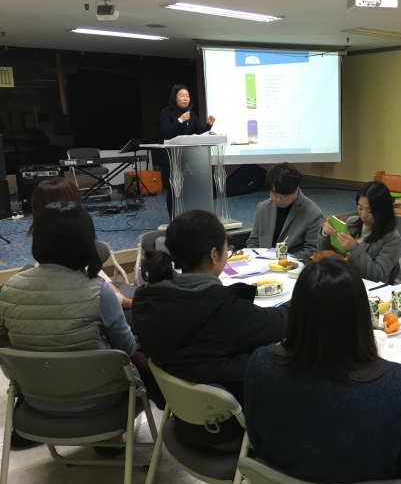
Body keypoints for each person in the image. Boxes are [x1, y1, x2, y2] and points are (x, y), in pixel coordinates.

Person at [244, 257, 401, 484]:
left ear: (296, 311)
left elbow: (257, 442)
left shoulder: (260, 364)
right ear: (361, 315)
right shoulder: (397, 384)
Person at [133, 209, 288, 449]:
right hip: (226, 429)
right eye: (228, 248)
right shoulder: (223, 309)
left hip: (183, 420)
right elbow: (279, 324)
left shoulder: (148, 298)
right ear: (214, 254)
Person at [0, 202, 136, 417]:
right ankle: (114, 434)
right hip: (98, 398)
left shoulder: (9, 288)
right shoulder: (99, 291)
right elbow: (127, 350)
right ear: (86, 241)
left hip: (36, 397)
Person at [25, 178, 133, 311]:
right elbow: (98, 291)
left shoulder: (44, 241)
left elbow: (98, 279)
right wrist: (130, 303)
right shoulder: (70, 253)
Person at [319, 180, 401, 283]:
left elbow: (377, 276)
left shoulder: (392, 238)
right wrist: (326, 234)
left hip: (365, 287)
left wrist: (353, 247)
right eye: (360, 208)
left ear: (383, 210)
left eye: (369, 211)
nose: (363, 215)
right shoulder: (352, 222)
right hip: (339, 281)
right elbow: (324, 256)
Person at [247, 163, 323, 261]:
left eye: (284, 195)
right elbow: (253, 242)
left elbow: (312, 251)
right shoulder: (263, 208)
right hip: (261, 264)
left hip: (293, 266)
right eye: (274, 193)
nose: (278, 199)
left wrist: (281, 261)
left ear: (296, 190)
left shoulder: (313, 214)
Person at [159, 84, 216, 216]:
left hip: (188, 157)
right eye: (182, 96)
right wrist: (180, 120)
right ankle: (174, 218)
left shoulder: (191, 114)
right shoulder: (166, 112)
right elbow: (165, 131)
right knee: (174, 188)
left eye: (187, 96)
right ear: (175, 97)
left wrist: (209, 125)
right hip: (172, 156)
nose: (185, 98)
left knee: (188, 187)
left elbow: (200, 132)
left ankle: (189, 216)